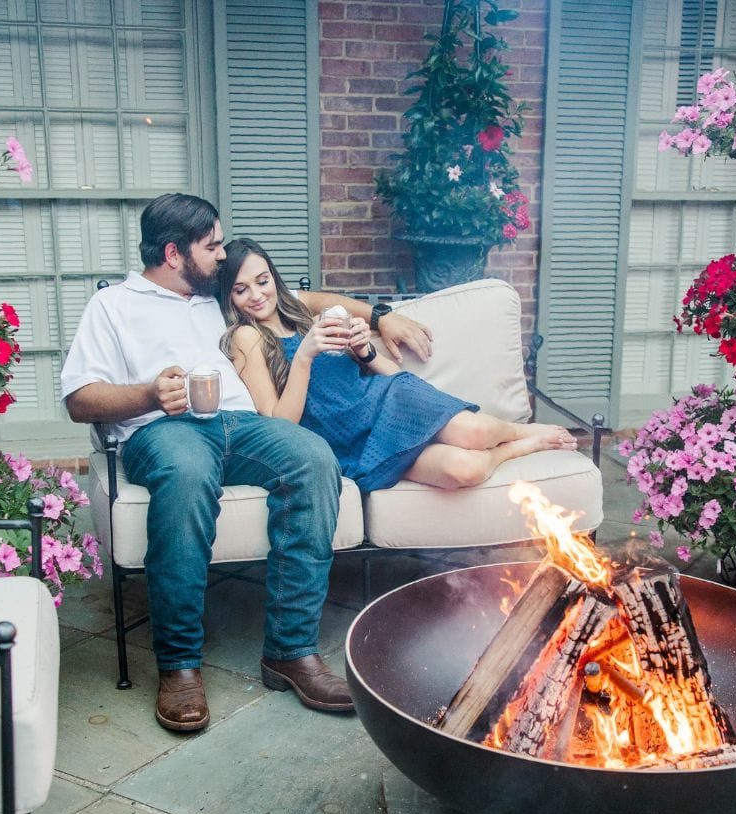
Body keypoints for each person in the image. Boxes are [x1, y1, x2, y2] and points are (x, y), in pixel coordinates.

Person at [60, 194, 428, 733]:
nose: (221, 254)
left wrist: (380, 315)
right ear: (173, 253)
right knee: (188, 476)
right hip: (163, 430)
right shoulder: (113, 306)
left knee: (312, 457)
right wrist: (148, 395)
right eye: (211, 246)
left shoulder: (219, 295)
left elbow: (306, 298)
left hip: (242, 424)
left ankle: (291, 651)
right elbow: (79, 400)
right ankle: (179, 665)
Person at [217, 238, 577, 493]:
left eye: (262, 281)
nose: (257, 295)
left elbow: (394, 376)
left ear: (274, 278)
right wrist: (305, 356)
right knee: (464, 469)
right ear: (228, 297)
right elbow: (279, 426)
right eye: (241, 289)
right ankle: (517, 448)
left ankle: (520, 432)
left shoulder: (303, 314)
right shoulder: (246, 337)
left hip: (385, 400)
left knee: (474, 434)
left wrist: (365, 352)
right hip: (349, 444)